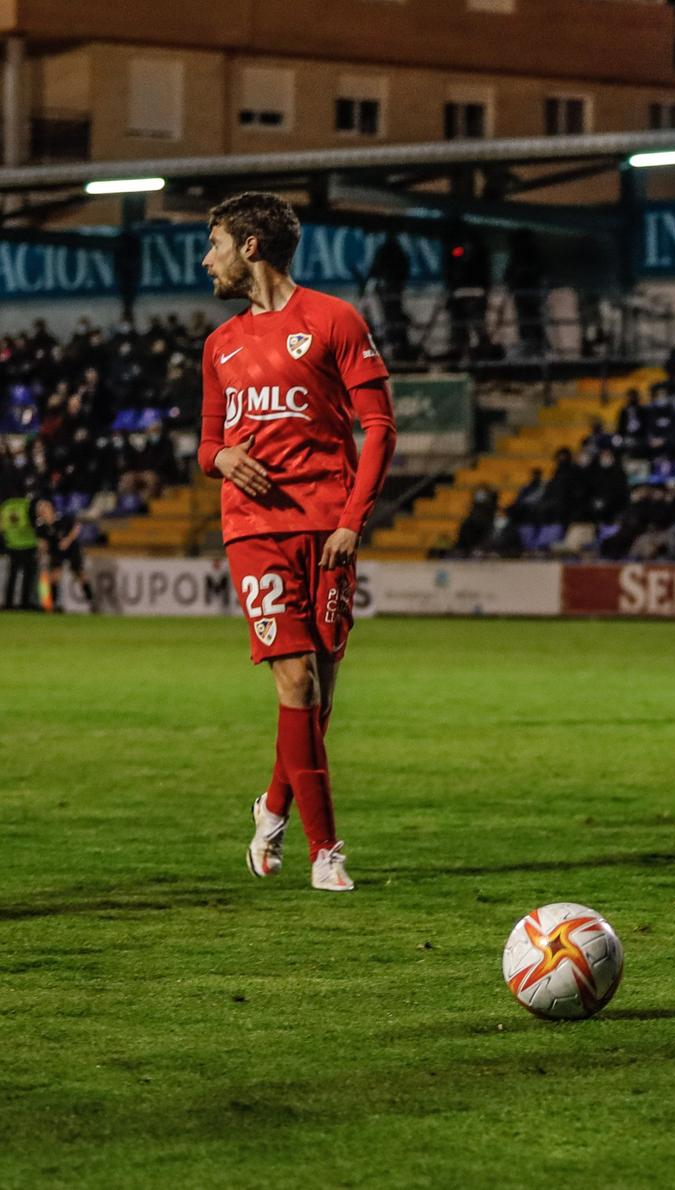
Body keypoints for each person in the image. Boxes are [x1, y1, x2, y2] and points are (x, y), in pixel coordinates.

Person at [197, 191, 397, 893]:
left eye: (215, 243)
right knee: (297, 680)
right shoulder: (218, 345)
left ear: (250, 246)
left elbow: (380, 428)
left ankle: (273, 805)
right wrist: (219, 459)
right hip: (254, 530)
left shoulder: (333, 321)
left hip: (327, 528)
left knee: (321, 696)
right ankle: (327, 851)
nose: (206, 257)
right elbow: (208, 443)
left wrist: (352, 519)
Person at [31, 496, 95, 612]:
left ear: (50, 509)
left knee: (80, 574)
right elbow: (42, 542)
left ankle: (91, 602)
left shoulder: (62, 518)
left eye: (44, 510)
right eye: (40, 512)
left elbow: (76, 527)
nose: (42, 513)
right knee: (54, 577)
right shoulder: (41, 526)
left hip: (71, 549)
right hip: (56, 551)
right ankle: (53, 605)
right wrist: (41, 551)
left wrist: (68, 540)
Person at [1, 488, 36, 610]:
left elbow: (2, 526)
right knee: (27, 576)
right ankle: (25, 604)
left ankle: (8, 604)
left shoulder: (6, 505)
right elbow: (33, 523)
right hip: (29, 544)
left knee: (12, 576)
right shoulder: (27, 504)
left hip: (12, 544)